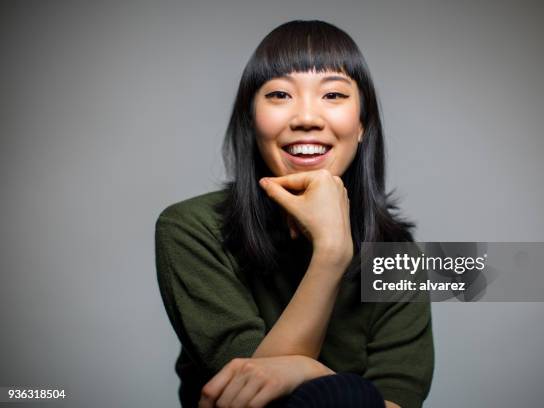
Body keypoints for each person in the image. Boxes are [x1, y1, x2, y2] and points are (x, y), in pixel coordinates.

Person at [155, 20, 434, 408]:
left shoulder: (398, 256)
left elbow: (398, 401)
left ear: (362, 126)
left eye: (333, 94)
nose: (306, 117)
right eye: (280, 94)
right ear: (252, 120)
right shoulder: (190, 229)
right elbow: (250, 396)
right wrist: (332, 253)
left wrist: (309, 372)